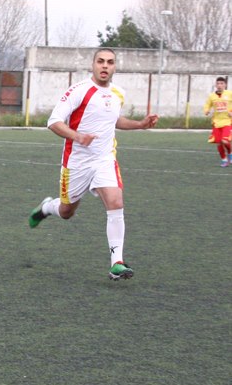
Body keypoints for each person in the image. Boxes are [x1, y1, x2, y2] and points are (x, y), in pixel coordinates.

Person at [28, 48, 158, 280]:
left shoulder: (118, 93)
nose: (105, 65)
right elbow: (54, 121)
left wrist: (140, 124)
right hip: (76, 163)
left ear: (115, 67)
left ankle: (116, 263)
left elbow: (114, 120)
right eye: (101, 61)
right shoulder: (79, 91)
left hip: (105, 159)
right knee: (67, 211)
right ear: (93, 65)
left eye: (110, 62)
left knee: (116, 202)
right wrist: (77, 136)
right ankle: (46, 208)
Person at [202, 76, 232, 167]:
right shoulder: (212, 96)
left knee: (225, 141)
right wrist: (206, 111)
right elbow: (207, 105)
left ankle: (230, 154)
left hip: (227, 121)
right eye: (218, 83)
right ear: (215, 85)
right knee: (219, 142)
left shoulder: (229, 94)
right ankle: (224, 160)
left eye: (221, 83)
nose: (219, 85)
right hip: (216, 122)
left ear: (225, 85)